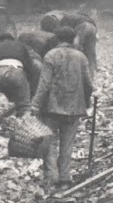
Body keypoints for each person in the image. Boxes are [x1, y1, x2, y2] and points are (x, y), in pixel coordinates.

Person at [32, 27, 94, 188]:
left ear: (57, 39)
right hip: (74, 107)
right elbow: (88, 84)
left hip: (52, 107)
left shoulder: (50, 55)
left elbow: (44, 84)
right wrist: (87, 103)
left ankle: (52, 176)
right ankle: (65, 178)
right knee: (67, 144)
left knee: (49, 142)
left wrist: (35, 105)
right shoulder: (81, 57)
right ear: (73, 39)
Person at [0, 32, 39, 117]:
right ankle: (25, 119)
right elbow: (29, 67)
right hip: (16, 72)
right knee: (24, 108)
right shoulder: (20, 46)